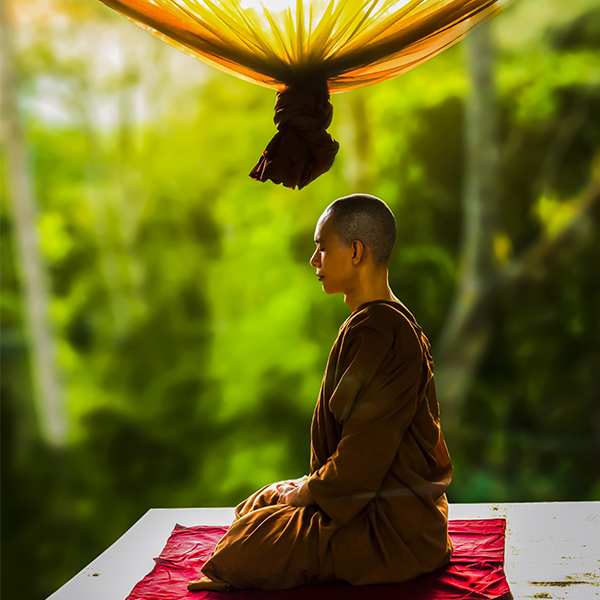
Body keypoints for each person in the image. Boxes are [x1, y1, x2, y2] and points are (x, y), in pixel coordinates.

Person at [188, 194, 453, 591]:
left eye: (322, 247)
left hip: (393, 527)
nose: (314, 260)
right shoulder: (372, 322)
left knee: (247, 549)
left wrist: (310, 492)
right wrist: (304, 491)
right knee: (260, 503)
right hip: (358, 496)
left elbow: (364, 454)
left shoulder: (386, 330)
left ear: (356, 252)